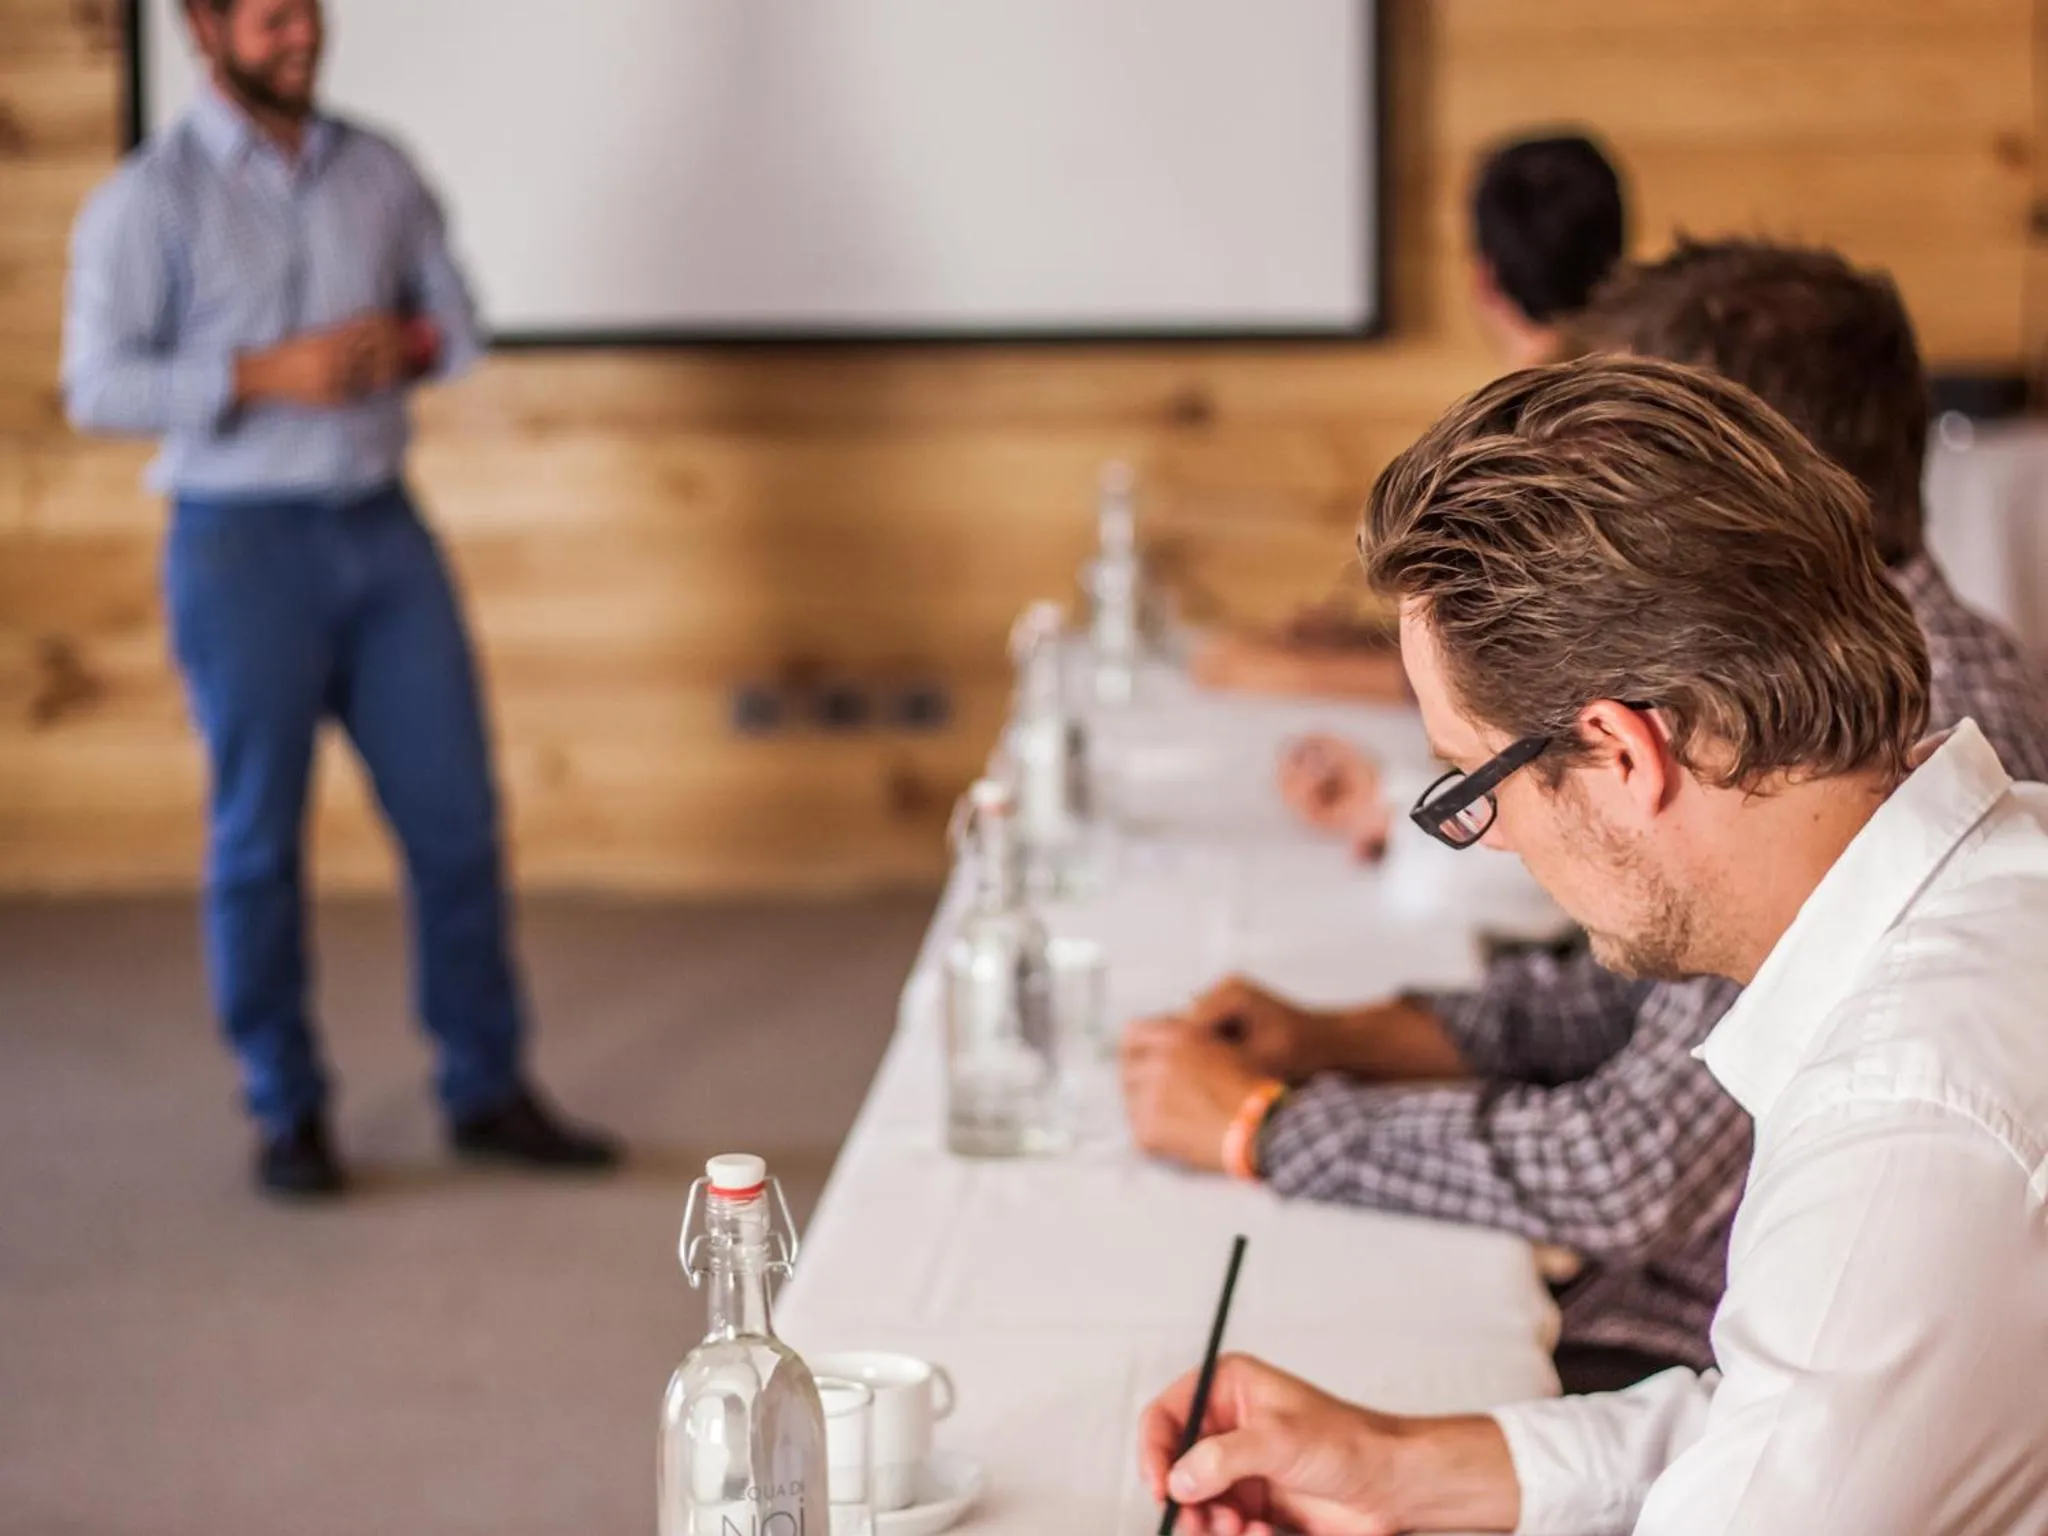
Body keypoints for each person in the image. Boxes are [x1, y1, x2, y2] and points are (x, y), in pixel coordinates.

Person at [1140, 354, 2048, 1534]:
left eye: (1472, 782)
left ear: (1623, 752)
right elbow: (1808, 1417)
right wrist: (1401, 1460)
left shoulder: (1901, 1115)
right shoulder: (1993, 876)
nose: (1490, 841)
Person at [62, 0, 619, 1199]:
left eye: (307, 11)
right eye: (269, 19)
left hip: (384, 533)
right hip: (237, 545)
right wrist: (269, 373)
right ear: (202, 31)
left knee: (456, 821)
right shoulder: (147, 199)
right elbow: (95, 384)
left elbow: (457, 330)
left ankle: (486, 1085)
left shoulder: (381, 171)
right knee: (258, 841)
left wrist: (400, 349)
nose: (301, 34)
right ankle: (286, 1109)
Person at [1194, 130, 1629, 702]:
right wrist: (1349, 639)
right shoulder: (1647, 410)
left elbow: (1522, 667)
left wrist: (1276, 670)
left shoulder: (1529, 436)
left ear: (1484, 278)